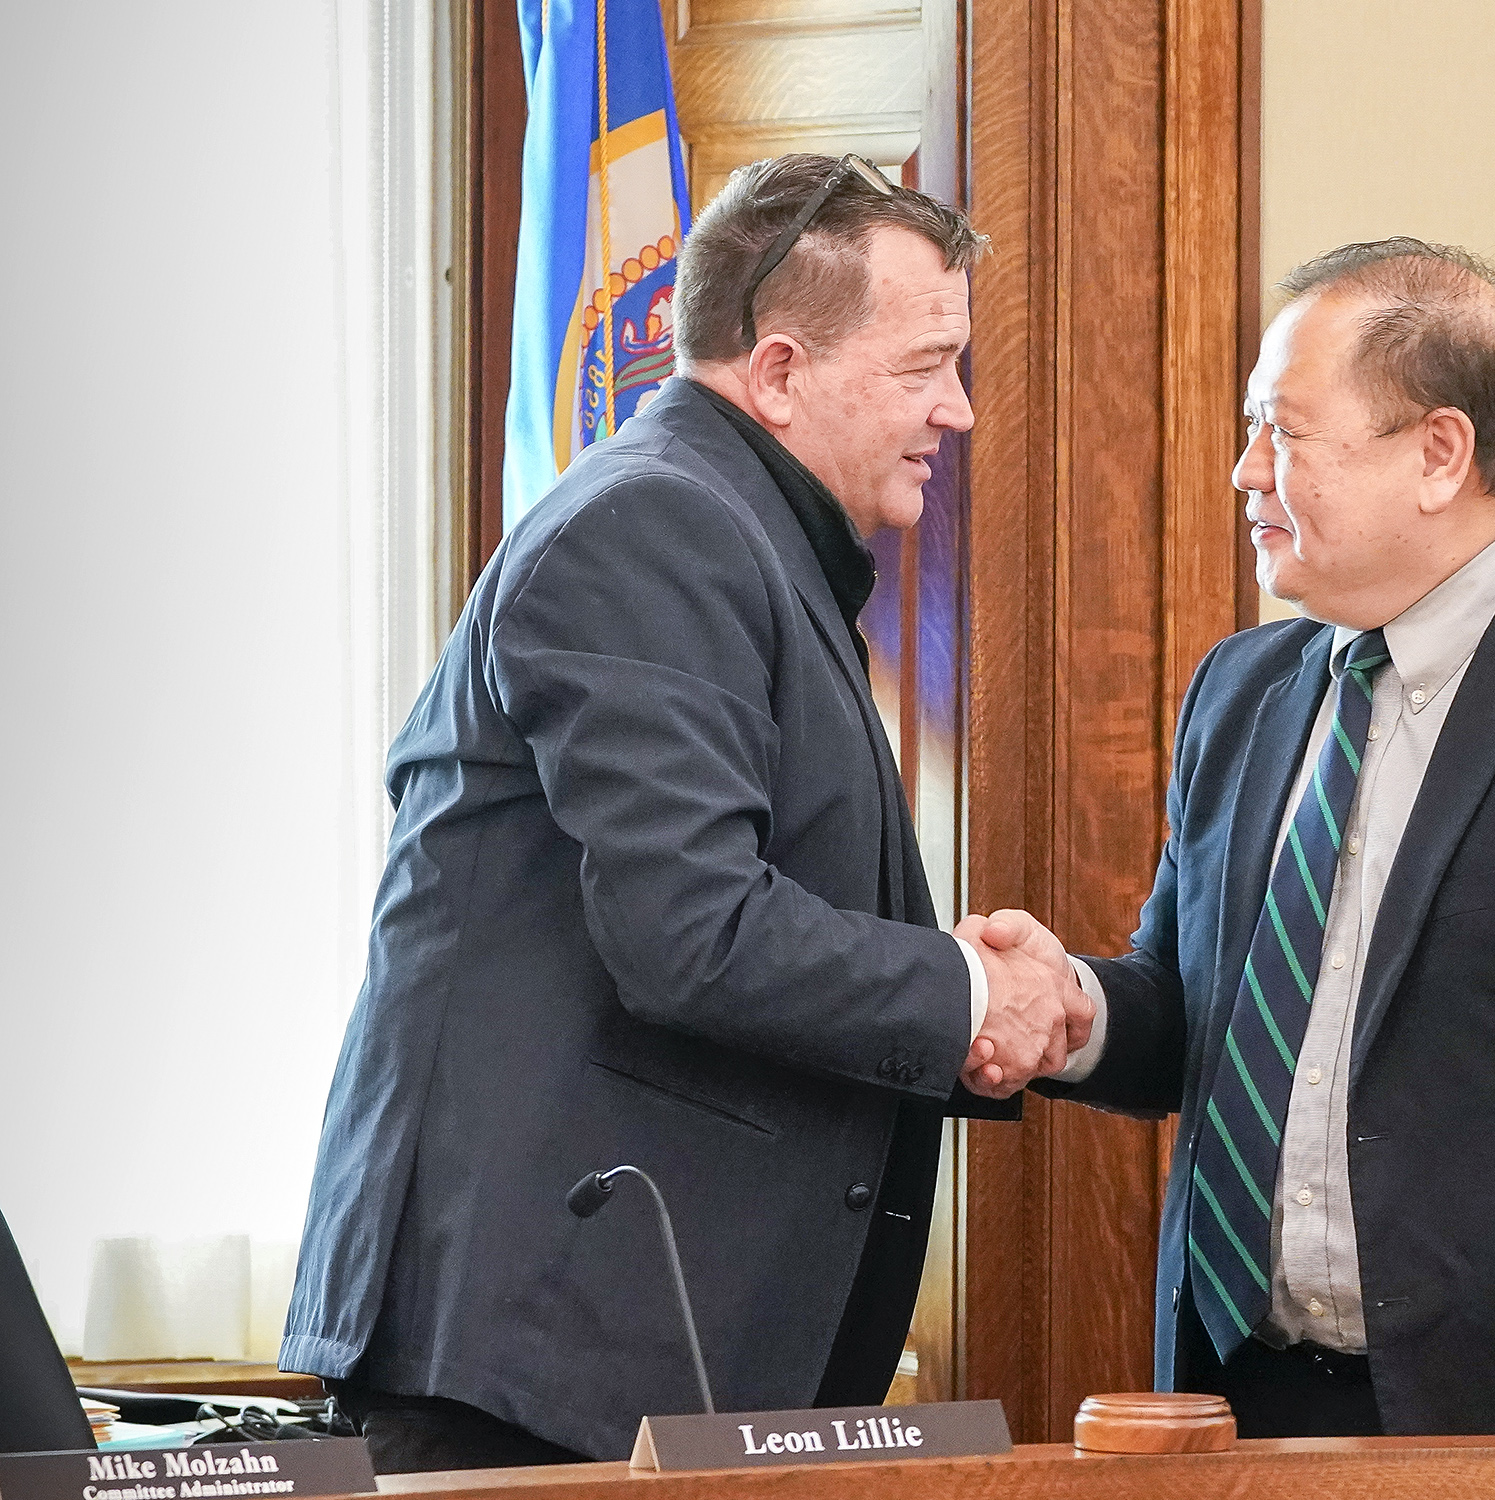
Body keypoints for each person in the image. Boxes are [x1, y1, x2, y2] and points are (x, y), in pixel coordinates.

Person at [282, 154, 1088, 1472]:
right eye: (924, 366)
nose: (959, 412)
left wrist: (985, 1000)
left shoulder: (738, 533)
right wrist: (964, 991)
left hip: (607, 1369)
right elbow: (691, 930)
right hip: (528, 1370)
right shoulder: (656, 525)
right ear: (777, 373)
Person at [966, 238, 1495, 1436]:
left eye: (1284, 432)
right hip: (1237, 1398)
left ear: (1438, 454)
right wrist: (1075, 1011)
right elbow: (1206, 1019)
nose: (1243, 470)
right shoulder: (1243, 690)